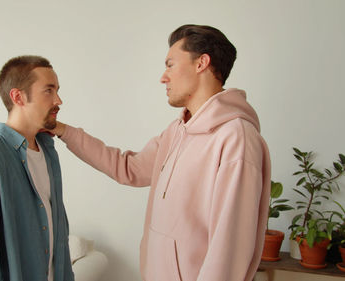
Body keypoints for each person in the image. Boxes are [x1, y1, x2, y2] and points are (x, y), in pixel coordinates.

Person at [48, 24, 271, 281]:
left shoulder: (236, 138)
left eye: (170, 65)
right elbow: (128, 168)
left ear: (202, 63)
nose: (163, 77)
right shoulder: (177, 131)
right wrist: (63, 130)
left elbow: (230, 248)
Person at [0, 55, 74, 281]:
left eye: (57, 90)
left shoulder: (48, 151)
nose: (58, 100)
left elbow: (59, 234)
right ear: (18, 97)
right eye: (48, 90)